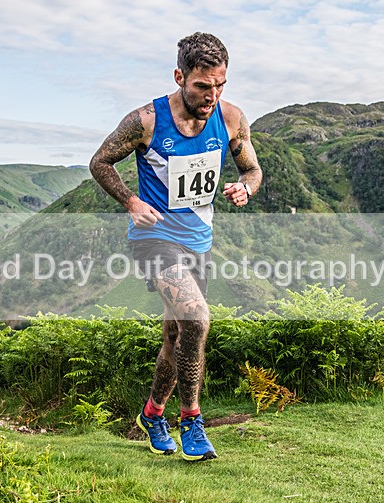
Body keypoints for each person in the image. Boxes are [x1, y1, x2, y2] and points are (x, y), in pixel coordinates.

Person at [89, 32, 262, 461]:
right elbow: (100, 162)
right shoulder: (146, 121)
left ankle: (152, 414)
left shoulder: (232, 117)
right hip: (154, 239)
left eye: (220, 85)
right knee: (198, 319)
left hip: (198, 241)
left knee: (175, 334)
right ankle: (192, 423)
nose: (212, 96)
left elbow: (253, 170)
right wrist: (131, 201)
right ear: (179, 76)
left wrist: (245, 188)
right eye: (203, 86)